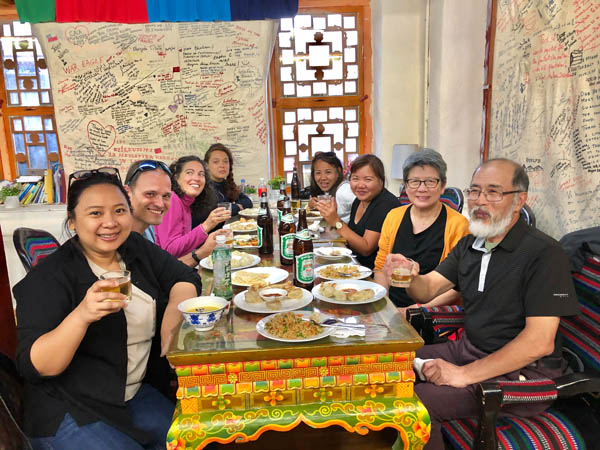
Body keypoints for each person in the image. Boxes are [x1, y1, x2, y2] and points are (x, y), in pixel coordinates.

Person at [383, 158, 579, 449]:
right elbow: (428, 289)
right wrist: (411, 275)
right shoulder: (472, 244)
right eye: (474, 191)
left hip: (522, 374)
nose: (479, 201)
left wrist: (463, 375)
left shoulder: (545, 254)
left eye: (493, 192)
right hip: (468, 349)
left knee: (418, 403)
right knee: (387, 359)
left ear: (520, 199)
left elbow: (539, 343)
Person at [13, 168, 203, 450]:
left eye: (118, 210)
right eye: (95, 213)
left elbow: (185, 278)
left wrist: (171, 323)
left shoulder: (133, 248)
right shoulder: (51, 277)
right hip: (72, 407)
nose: (110, 223)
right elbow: (37, 366)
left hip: (132, 395)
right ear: (73, 222)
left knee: (197, 441)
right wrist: (82, 315)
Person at [373, 149, 470, 308]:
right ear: (405, 185)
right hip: (392, 307)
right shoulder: (393, 216)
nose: (422, 189)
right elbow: (380, 268)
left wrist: (412, 311)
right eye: (415, 181)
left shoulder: (458, 225)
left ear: (443, 185)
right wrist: (385, 306)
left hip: (431, 314)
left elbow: (457, 286)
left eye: (430, 181)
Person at [124, 159, 222, 267]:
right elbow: (170, 250)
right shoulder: (120, 240)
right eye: (150, 194)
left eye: (166, 196)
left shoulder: (146, 231)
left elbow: (161, 270)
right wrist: (206, 228)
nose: (160, 204)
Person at [318, 154, 401, 269]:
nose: (360, 185)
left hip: (374, 273)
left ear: (381, 181)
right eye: (355, 179)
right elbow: (353, 235)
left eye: (367, 179)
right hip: (354, 265)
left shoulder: (385, 204)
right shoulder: (359, 201)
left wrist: (336, 221)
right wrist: (331, 218)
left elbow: (366, 248)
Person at [155, 156, 230, 259]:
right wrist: (206, 226)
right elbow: (170, 250)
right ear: (176, 177)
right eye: (189, 172)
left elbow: (184, 248)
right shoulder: (173, 199)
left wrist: (209, 239)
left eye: (201, 174)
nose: (196, 178)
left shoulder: (186, 203)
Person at [203, 143, 252, 219]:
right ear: (206, 165)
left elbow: (248, 202)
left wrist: (233, 207)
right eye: (216, 162)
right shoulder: (202, 186)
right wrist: (237, 207)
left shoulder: (227, 184)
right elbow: (216, 211)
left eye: (225, 161)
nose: (222, 165)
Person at [306, 151, 355, 223]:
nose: (323, 178)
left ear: (338, 171)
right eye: (318, 173)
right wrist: (312, 205)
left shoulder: (344, 191)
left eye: (328, 172)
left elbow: (368, 209)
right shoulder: (330, 191)